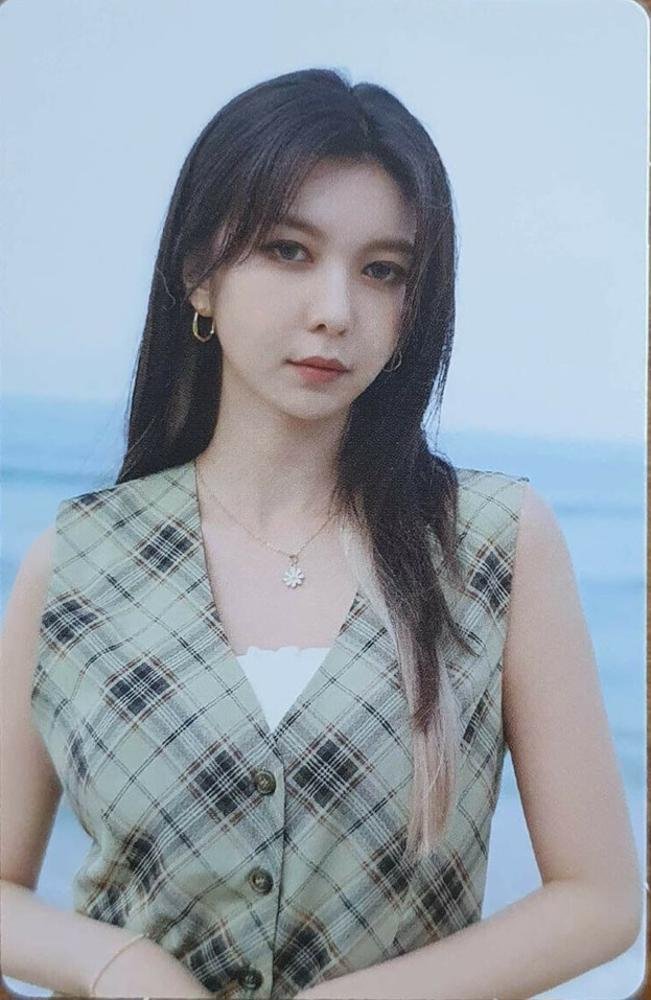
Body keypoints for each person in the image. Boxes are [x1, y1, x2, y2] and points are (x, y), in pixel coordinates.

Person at [0, 67, 642, 1000]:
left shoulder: (492, 543)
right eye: (287, 250)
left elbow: (599, 900)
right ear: (200, 275)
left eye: (383, 271)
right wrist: (118, 963)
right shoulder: (78, 561)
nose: (335, 310)